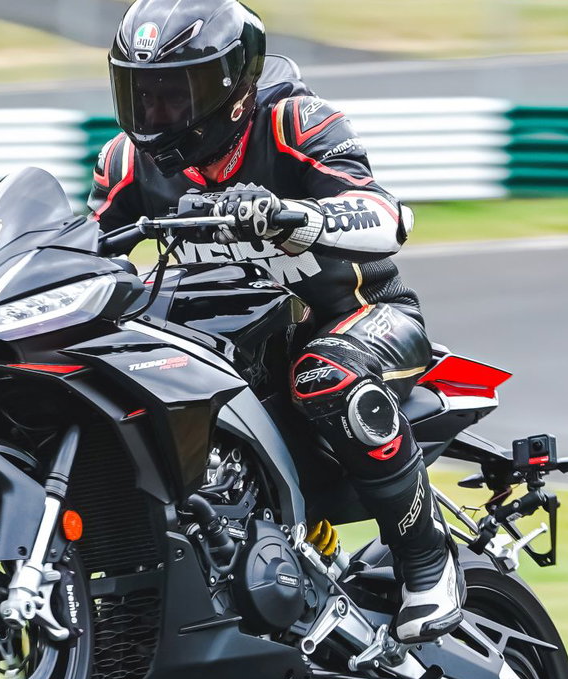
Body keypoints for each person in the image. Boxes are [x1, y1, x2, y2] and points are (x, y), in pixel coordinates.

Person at [89, 0, 461, 643]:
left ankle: (428, 561)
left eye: (174, 94)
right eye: (141, 93)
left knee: (323, 375)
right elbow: (86, 247)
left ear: (233, 88)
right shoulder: (125, 161)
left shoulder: (296, 122)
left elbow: (388, 217)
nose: (155, 114)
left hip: (357, 317)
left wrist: (298, 219)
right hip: (238, 345)